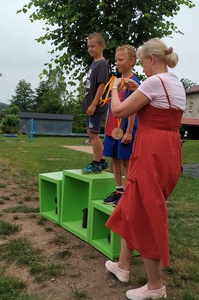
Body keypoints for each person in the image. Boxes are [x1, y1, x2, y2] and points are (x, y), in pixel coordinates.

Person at [105, 38, 186, 300]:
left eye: (142, 62)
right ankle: (123, 265)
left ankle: (155, 286)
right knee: (131, 205)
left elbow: (119, 109)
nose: (143, 68)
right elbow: (157, 105)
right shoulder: (175, 83)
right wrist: (136, 86)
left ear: (151, 59)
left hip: (150, 152)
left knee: (148, 213)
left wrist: (116, 88)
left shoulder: (153, 82)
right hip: (169, 150)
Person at [103, 45, 140, 206]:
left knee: (126, 160)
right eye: (116, 60)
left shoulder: (134, 82)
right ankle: (119, 190)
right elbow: (111, 107)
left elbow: (134, 109)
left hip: (125, 129)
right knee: (115, 159)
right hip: (112, 129)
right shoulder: (115, 82)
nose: (117, 63)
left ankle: (129, 193)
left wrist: (129, 131)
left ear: (132, 61)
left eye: (121, 59)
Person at [81, 32, 110, 174]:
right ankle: (102, 161)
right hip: (90, 104)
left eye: (92, 46)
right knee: (90, 132)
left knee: (93, 134)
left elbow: (101, 85)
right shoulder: (94, 63)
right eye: (88, 47)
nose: (90, 49)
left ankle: (96, 163)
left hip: (96, 105)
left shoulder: (103, 64)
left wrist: (93, 104)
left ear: (101, 46)